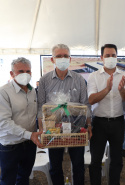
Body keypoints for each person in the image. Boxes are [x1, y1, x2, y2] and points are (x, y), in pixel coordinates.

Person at [37, 44, 91, 185]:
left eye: (65, 56)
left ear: (70, 59)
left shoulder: (79, 79)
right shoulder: (44, 80)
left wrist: (89, 125)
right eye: (59, 56)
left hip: (76, 127)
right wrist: (42, 129)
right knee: (55, 166)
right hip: (52, 128)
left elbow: (85, 104)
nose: (62, 58)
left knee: (78, 165)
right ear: (52, 59)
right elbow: (40, 107)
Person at [87, 44, 125, 185]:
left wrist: (121, 90)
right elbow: (91, 99)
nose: (110, 58)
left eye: (113, 55)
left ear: (117, 57)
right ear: (101, 57)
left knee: (117, 160)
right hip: (99, 123)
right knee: (95, 160)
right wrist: (107, 89)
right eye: (107, 55)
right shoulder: (94, 76)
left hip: (118, 122)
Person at [0, 57, 43, 185]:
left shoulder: (32, 91)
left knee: (24, 177)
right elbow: (3, 122)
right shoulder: (4, 92)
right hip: (11, 145)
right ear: (12, 74)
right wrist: (30, 135)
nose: (25, 74)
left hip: (29, 143)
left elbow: (37, 113)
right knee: (8, 180)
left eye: (28, 71)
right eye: (21, 71)